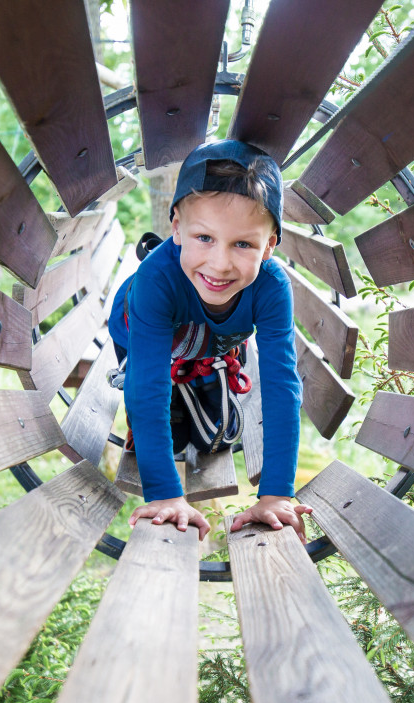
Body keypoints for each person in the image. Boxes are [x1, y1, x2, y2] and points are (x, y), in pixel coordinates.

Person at [107, 140, 311, 541]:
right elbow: (146, 388)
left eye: (243, 244)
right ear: (177, 228)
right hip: (145, 337)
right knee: (160, 402)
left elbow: (281, 387)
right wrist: (166, 494)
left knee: (213, 436)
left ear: (269, 246)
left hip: (211, 342)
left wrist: (275, 494)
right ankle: (184, 382)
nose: (220, 264)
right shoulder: (156, 279)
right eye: (204, 238)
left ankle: (198, 378)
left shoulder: (271, 288)